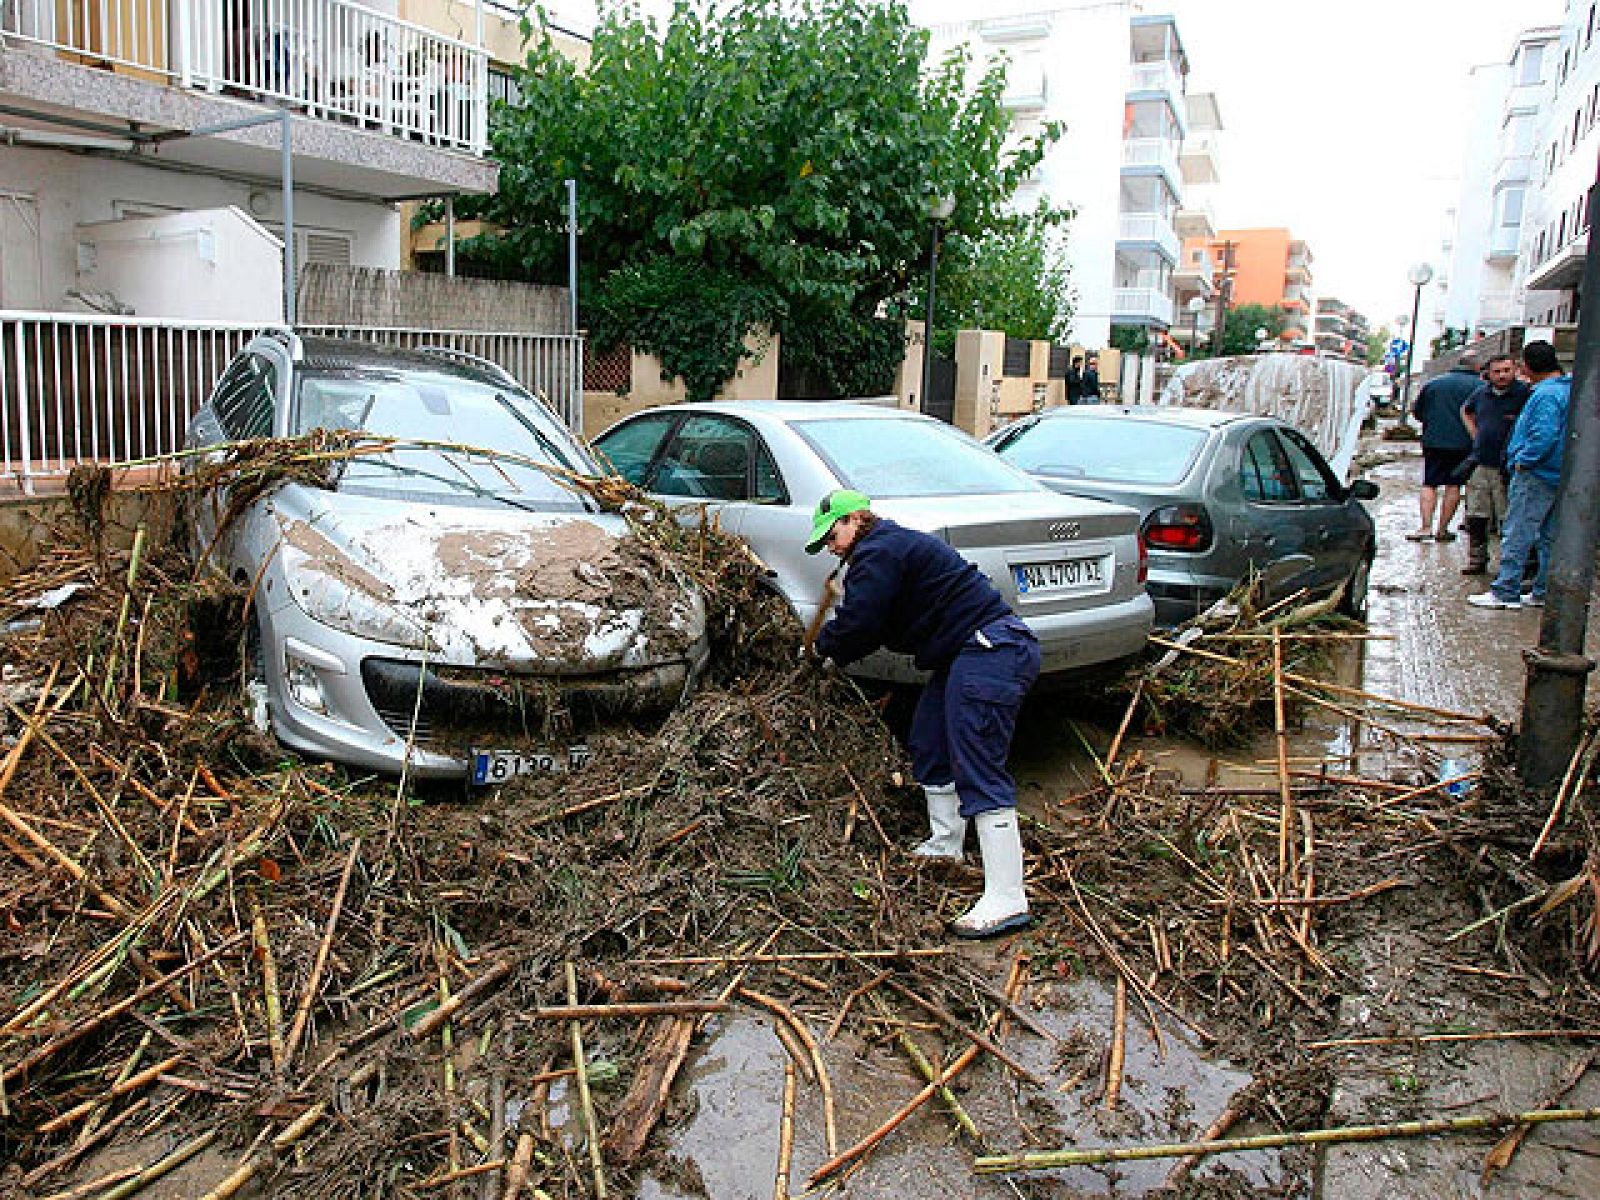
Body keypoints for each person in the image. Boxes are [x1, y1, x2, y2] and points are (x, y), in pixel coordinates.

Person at [803, 489, 1041, 938]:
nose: (831, 547)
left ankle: (1007, 897)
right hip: (963, 654)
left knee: (978, 766)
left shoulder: (878, 551)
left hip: (993, 649)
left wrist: (821, 647)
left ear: (855, 519)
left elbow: (863, 624)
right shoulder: (887, 550)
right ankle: (945, 844)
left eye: (832, 535)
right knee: (929, 740)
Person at [1469, 341, 1571, 610]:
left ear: (1526, 366)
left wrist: (1523, 461)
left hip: (1537, 473)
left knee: (1517, 532)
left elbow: (1543, 435)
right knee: (1548, 536)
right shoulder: (1569, 390)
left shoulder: (1545, 395)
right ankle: (1541, 591)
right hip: (1558, 472)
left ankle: (1506, 590)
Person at [1457, 353, 1531, 574]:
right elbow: (1465, 410)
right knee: (1476, 515)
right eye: (1497, 372)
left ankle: (1512, 567)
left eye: (1506, 371)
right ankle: (1477, 560)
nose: (1502, 376)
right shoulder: (1481, 394)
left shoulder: (1524, 395)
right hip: (1481, 463)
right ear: (1488, 373)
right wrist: (1476, 434)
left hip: (1507, 467)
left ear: (1515, 370)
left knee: (1508, 518)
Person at [1406, 352, 1478, 541]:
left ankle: (1425, 527)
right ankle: (1442, 529)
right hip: (1464, 443)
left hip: (1434, 441)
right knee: (1453, 486)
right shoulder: (1481, 387)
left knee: (1429, 482)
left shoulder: (1434, 384)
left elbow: (1418, 411)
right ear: (1477, 367)